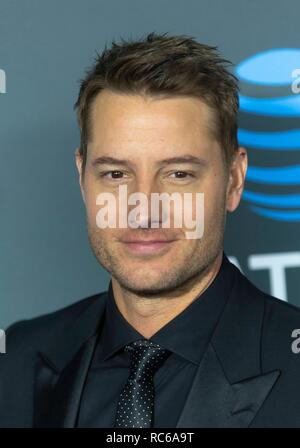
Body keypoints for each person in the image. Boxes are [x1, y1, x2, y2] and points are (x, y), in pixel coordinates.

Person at [1, 32, 300, 428]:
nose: (143, 211)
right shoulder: (18, 360)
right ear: (81, 178)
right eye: (116, 173)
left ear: (234, 179)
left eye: (178, 174)